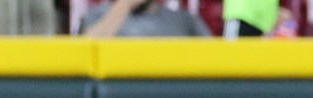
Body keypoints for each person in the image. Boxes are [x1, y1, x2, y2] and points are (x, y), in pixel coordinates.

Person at [79, 0, 213, 36]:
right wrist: (125, 4)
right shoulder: (99, 16)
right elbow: (83, 56)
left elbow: (215, 61)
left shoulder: (185, 20)